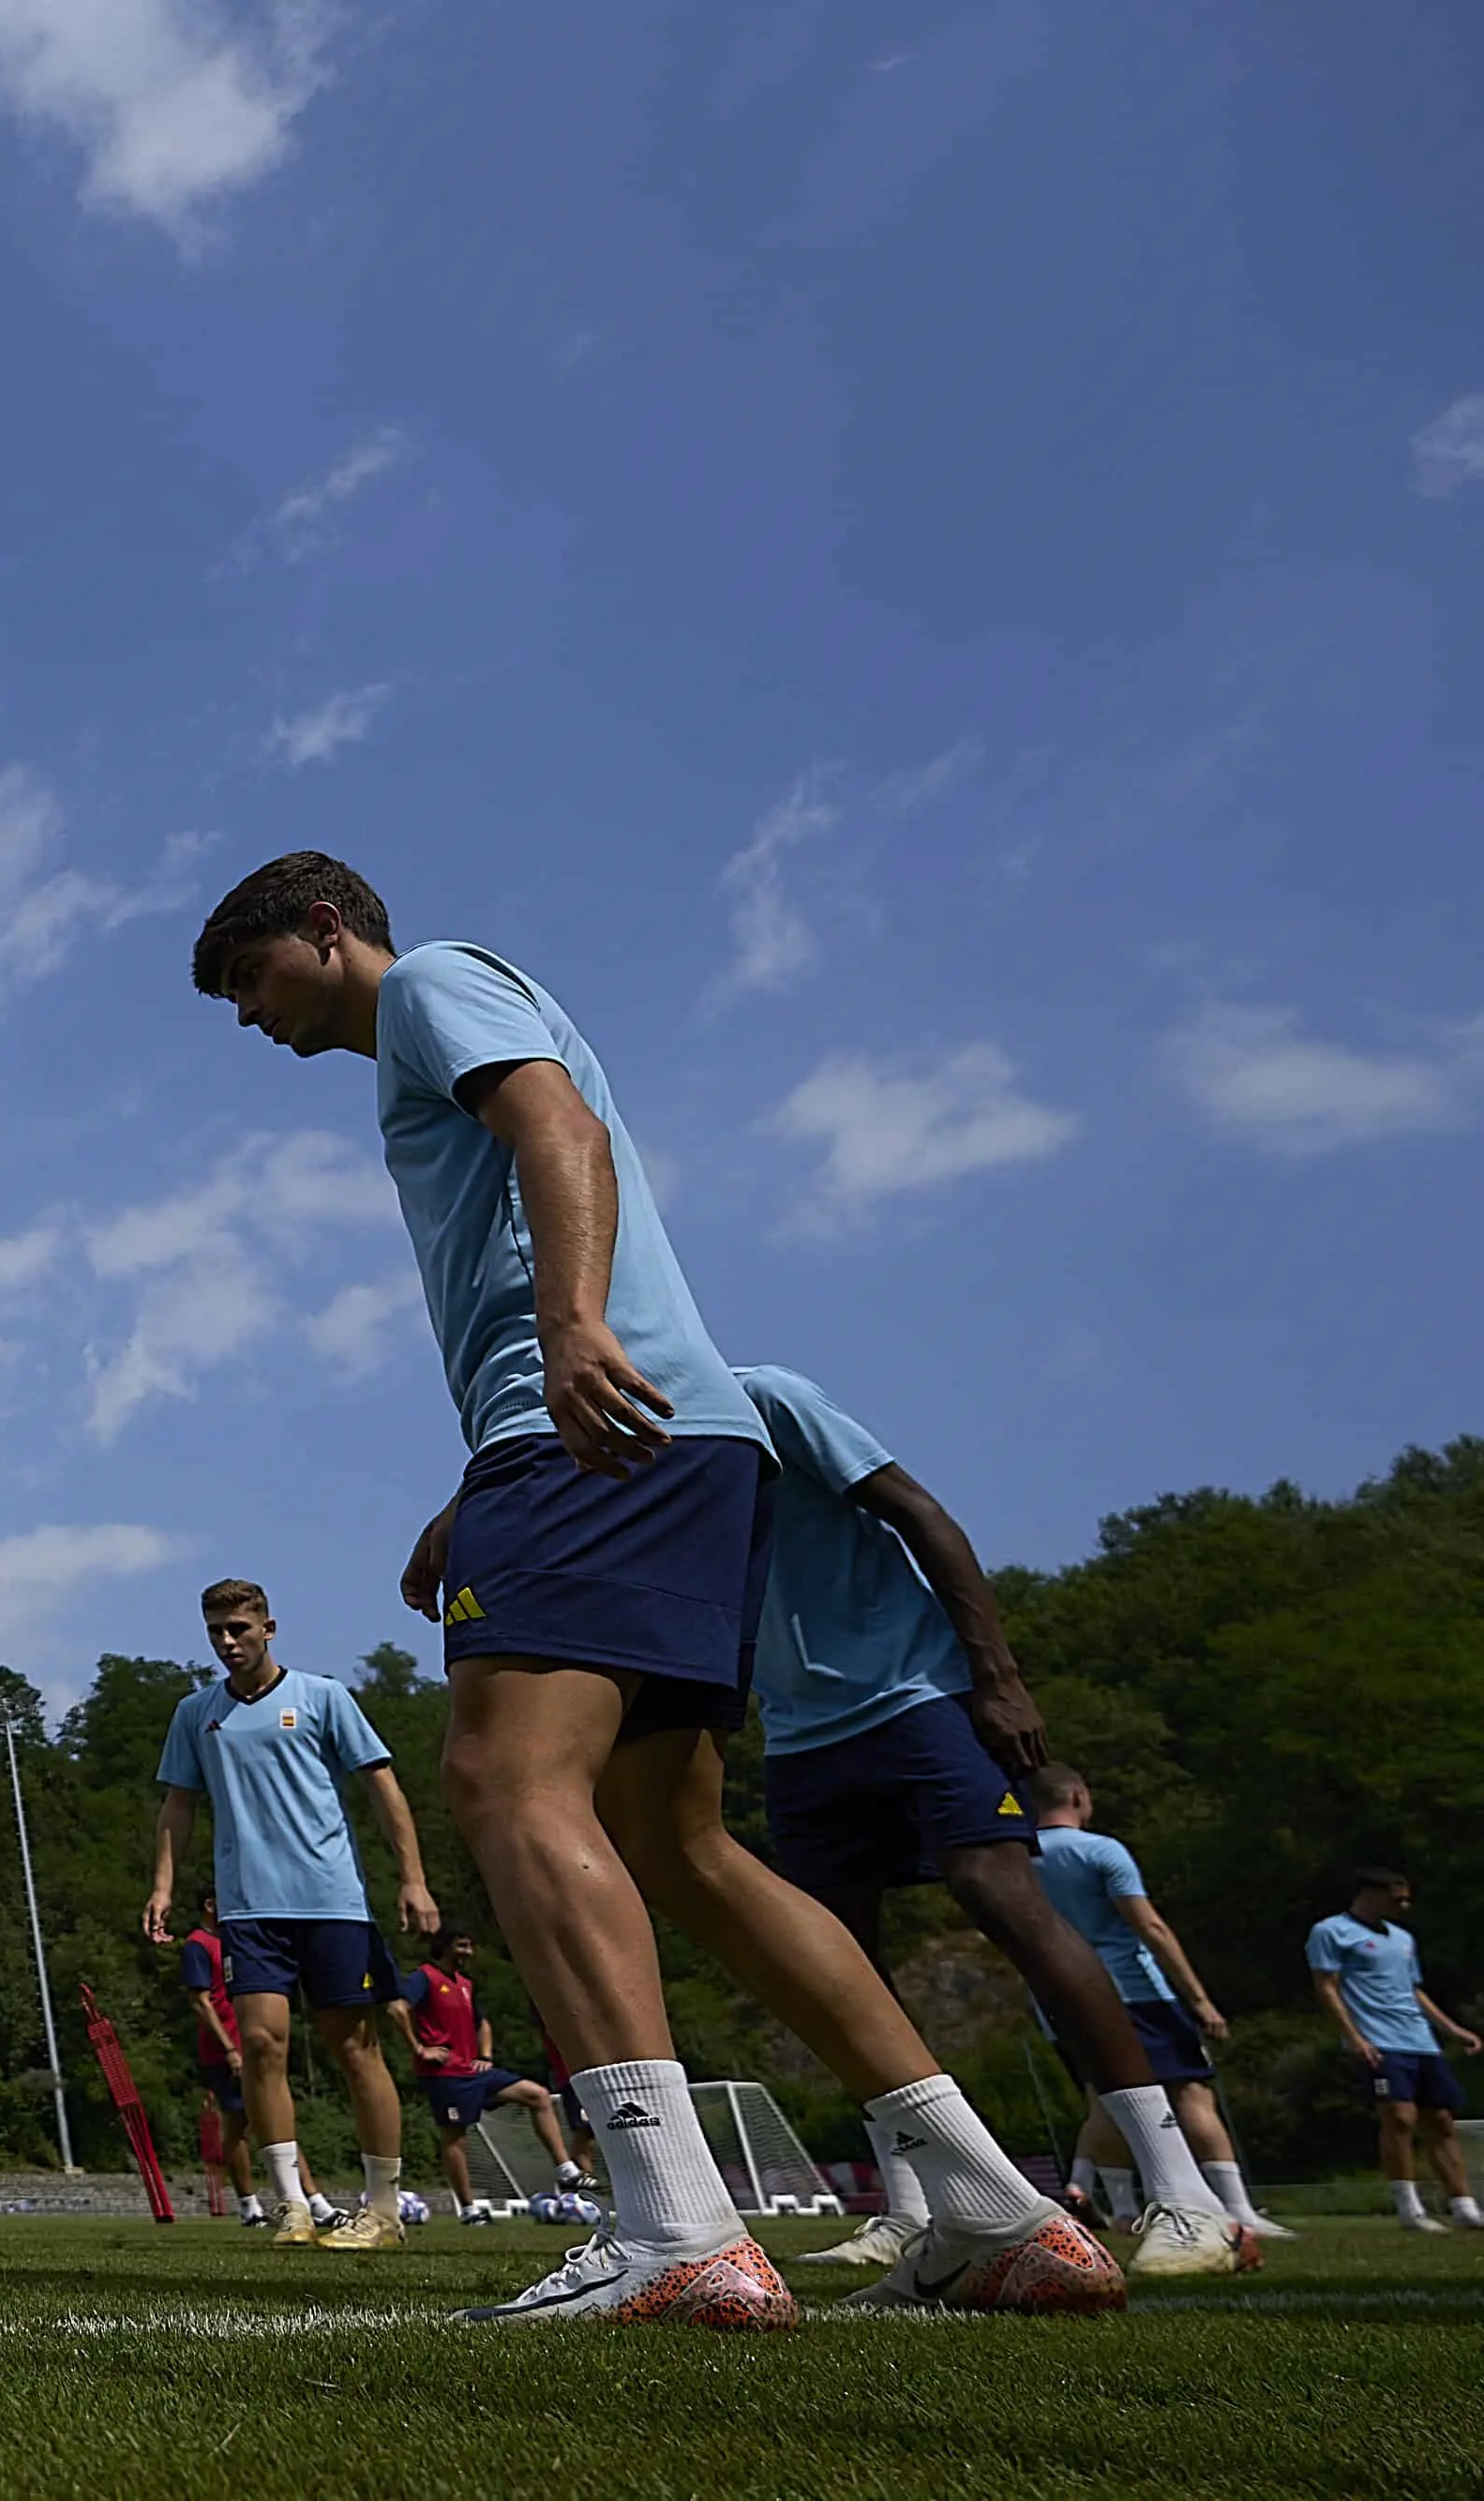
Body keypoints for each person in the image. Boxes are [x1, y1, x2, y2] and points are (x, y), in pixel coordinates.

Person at [191, 852, 1118, 2328]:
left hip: (588, 1431)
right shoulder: (439, 1029)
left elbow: (559, 1127)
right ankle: (998, 2208)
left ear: (324, 930)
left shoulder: (434, 980)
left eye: (249, 976)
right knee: (678, 1842)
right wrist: (475, 1478)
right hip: (670, 1444)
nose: (245, 1015)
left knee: (504, 1779)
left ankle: (674, 2224)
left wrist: (566, 1335)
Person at [728, 1365, 1244, 2281]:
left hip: (914, 1696)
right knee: (834, 1959)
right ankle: (918, 2208)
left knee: (998, 1892)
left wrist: (997, 1678)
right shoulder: (629, 1449)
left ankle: (1186, 2194)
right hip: (798, 1737)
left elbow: (923, 1515)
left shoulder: (762, 1397)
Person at [140, 1577, 439, 2251]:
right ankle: (291, 2204)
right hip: (250, 1908)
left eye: (240, 1628)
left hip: (332, 1901)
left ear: (269, 1628)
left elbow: (382, 1788)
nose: (228, 1642)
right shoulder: (197, 1714)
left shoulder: (323, 1697)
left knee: (354, 2046)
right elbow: (177, 1807)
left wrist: (413, 1878)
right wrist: (163, 1886)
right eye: (216, 1630)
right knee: (262, 2045)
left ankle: (384, 2209)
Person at [1024, 1765, 1287, 2241]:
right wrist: (1200, 1999)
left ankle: (1125, 2211)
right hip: (1133, 1990)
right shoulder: (1101, 1851)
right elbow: (1151, 1927)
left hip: (1059, 1995)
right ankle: (1238, 2209)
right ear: (1079, 1797)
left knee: (1106, 2101)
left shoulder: (1019, 1858)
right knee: (1191, 2093)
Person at [1307, 1868, 1484, 2233]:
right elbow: (1326, 1987)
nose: (1404, 1905)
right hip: (1379, 2040)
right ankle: (1410, 2209)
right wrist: (1353, 2037)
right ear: (1370, 1893)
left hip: (1419, 2040)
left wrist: (1451, 2029)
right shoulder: (1330, 1932)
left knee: (1441, 2121)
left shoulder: (1403, 1939)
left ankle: (1463, 2206)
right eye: (1397, 1897)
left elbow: (1413, 1989)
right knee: (1399, 2118)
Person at [390, 1927, 592, 2222]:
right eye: (462, 1945)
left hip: (475, 2070)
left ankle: (566, 2170)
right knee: (454, 2138)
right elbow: (397, 2008)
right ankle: (470, 2210)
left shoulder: (465, 1984)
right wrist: (420, 2048)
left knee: (538, 2096)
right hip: (445, 2074)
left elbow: (482, 2024)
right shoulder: (425, 1977)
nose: (468, 1952)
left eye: (470, 1946)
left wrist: (485, 2056)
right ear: (445, 1947)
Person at [174, 1894, 275, 2224]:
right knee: (240, 2122)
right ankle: (250, 2204)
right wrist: (229, 2048)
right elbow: (200, 2002)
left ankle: (304, 2199)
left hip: (252, 2044)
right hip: (224, 2051)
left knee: (269, 2117)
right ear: (209, 1903)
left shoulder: (234, 1941)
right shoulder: (197, 1945)